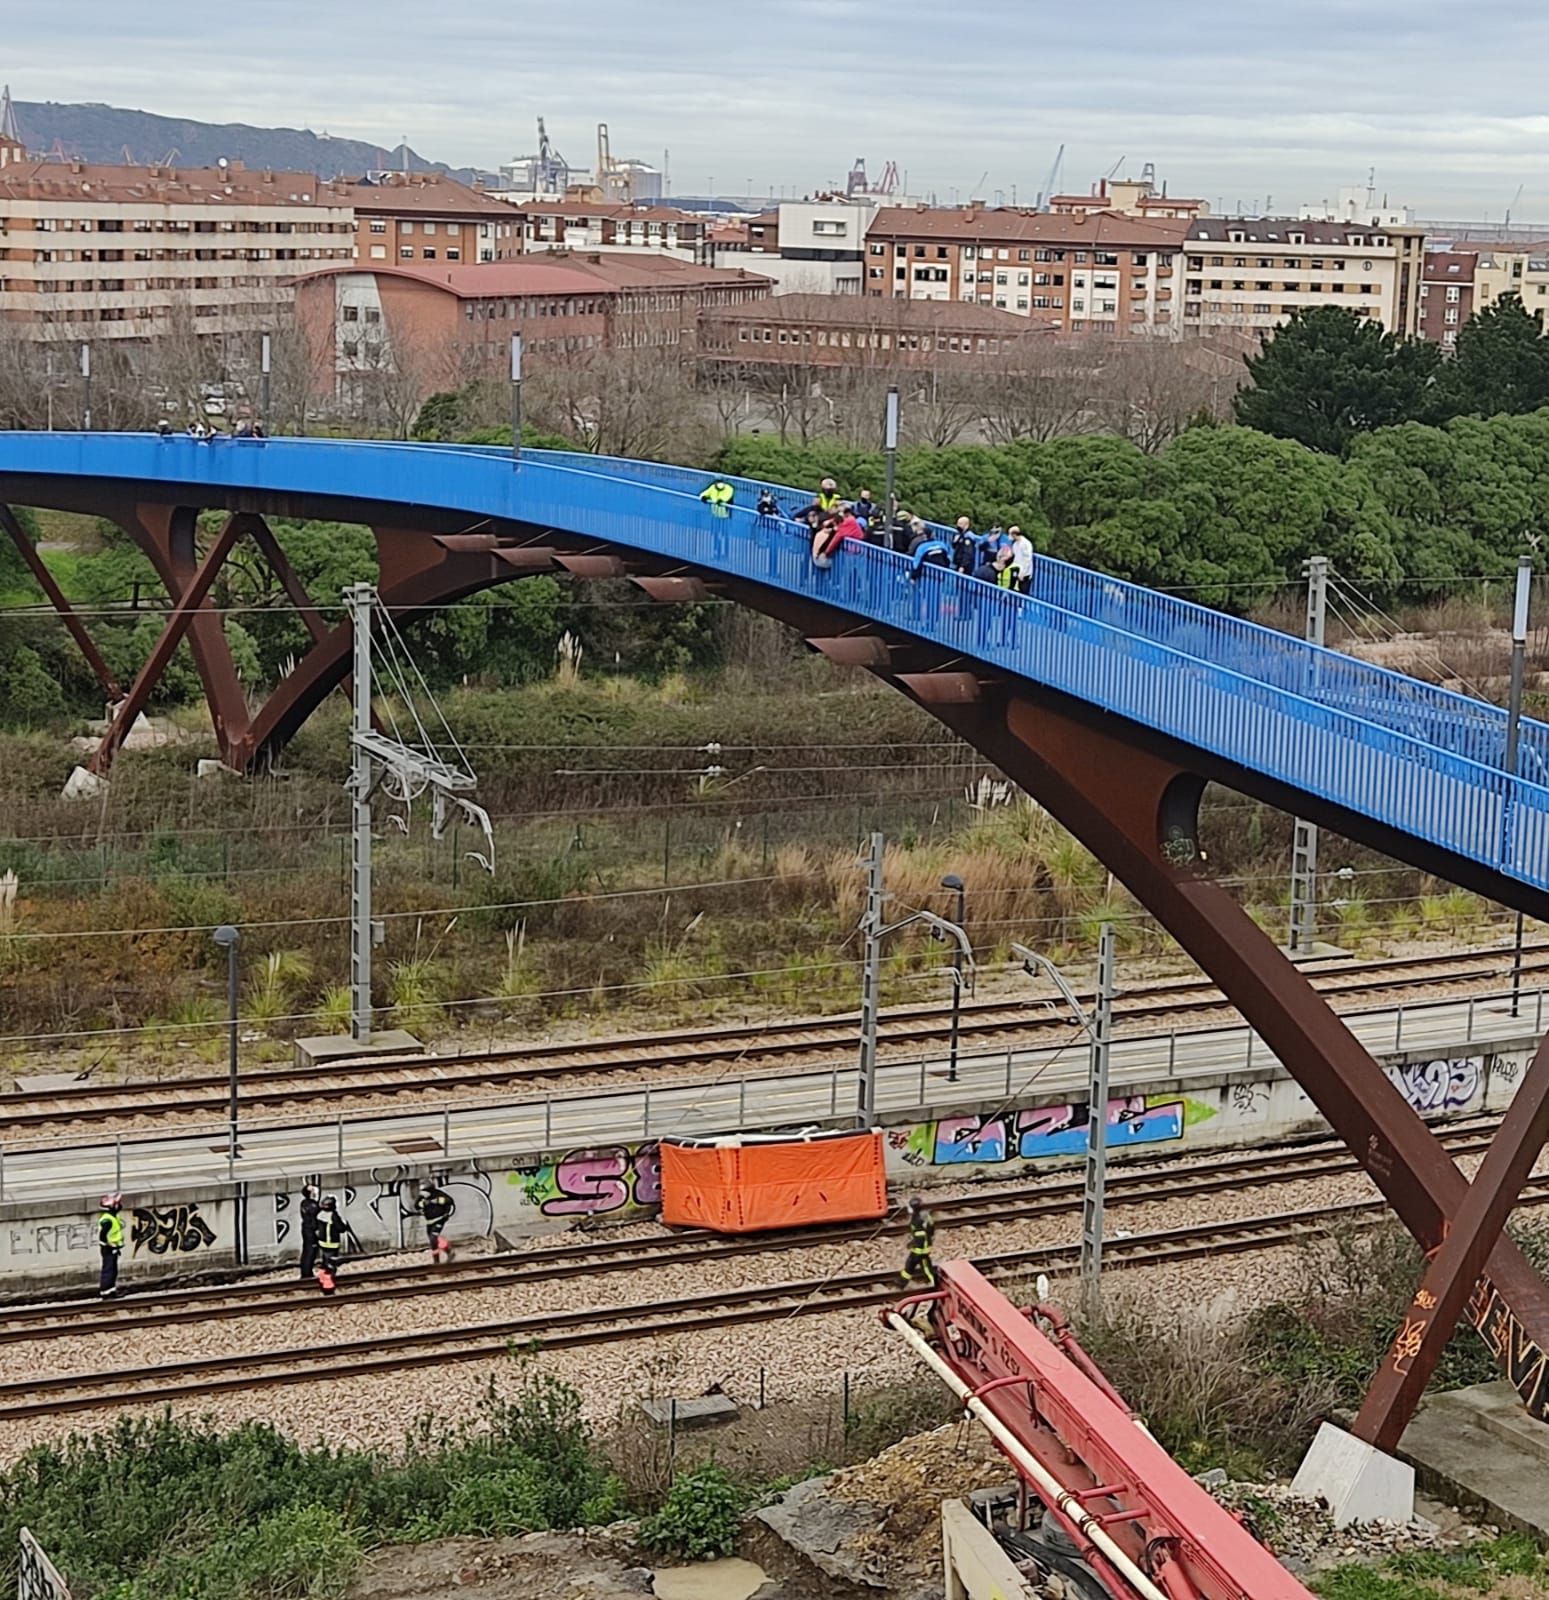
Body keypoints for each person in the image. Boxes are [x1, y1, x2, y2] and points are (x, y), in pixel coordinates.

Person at [314, 1196, 356, 1293]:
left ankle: (322, 1281)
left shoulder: (320, 1215)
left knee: (325, 1264)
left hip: (322, 1243)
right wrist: (344, 1224)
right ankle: (328, 1288)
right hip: (331, 1244)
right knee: (331, 1266)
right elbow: (341, 1228)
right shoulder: (333, 1216)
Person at [415, 1180, 455, 1263]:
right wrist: (424, 1203)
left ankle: (436, 1261)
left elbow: (449, 1201)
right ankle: (449, 1251)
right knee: (434, 1239)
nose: (423, 1193)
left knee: (433, 1239)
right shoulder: (423, 1198)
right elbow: (416, 1206)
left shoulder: (438, 1194)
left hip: (439, 1219)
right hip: (429, 1221)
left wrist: (438, 1201)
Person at [900, 1196, 936, 1287]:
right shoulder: (923, 1215)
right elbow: (929, 1230)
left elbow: (921, 1236)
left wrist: (917, 1248)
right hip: (918, 1246)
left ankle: (935, 1283)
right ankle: (902, 1283)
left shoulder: (918, 1219)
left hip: (921, 1248)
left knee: (926, 1267)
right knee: (910, 1264)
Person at [97, 1192, 125, 1298]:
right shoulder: (107, 1220)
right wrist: (109, 1245)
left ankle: (111, 1290)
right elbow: (103, 1236)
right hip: (109, 1248)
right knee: (108, 1270)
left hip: (113, 1248)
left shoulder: (112, 1216)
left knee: (113, 1270)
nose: (117, 1206)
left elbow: (119, 1208)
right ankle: (105, 1292)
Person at [297, 1183, 321, 1280]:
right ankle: (306, 1273)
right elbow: (314, 1212)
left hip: (308, 1229)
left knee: (310, 1251)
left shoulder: (307, 1203)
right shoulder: (309, 1204)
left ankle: (307, 1272)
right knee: (309, 1251)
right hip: (309, 1230)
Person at [1006, 525, 1035, 594]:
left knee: (1023, 591)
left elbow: (1027, 560)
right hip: (1016, 569)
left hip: (1025, 574)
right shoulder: (1015, 544)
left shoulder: (1026, 544)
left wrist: (1023, 573)